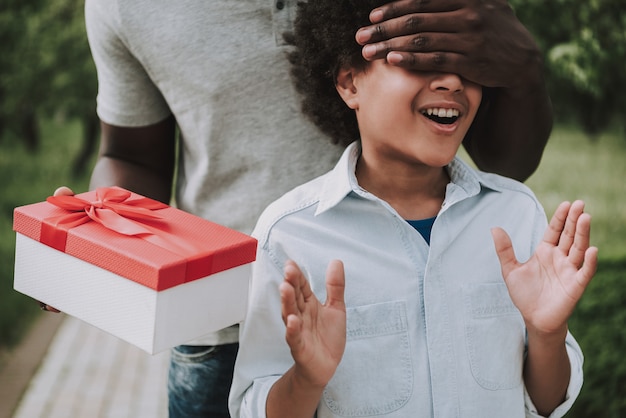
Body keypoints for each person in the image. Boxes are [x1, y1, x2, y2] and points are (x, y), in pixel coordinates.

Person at [38, 1, 554, 416]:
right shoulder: (123, 8)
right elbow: (129, 156)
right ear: (346, 82)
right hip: (219, 335)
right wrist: (94, 233)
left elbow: (508, 164)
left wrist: (523, 64)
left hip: (399, 307)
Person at [228, 0, 598, 416]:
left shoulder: (515, 213)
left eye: (468, 64)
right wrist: (306, 379)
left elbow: (546, 403)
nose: (453, 82)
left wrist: (547, 334)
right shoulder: (290, 236)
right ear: (350, 82)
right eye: (422, 61)